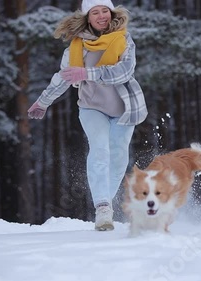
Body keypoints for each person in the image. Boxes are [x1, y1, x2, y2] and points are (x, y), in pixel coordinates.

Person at [27, 0, 147, 231]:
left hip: (125, 108)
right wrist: (43, 102)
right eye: (95, 12)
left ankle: (106, 203)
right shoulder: (76, 47)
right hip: (92, 106)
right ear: (87, 17)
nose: (101, 16)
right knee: (100, 150)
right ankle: (103, 208)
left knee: (119, 157)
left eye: (105, 11)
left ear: (112, 14)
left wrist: (87, 73)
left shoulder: (124, 39)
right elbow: (63, 77)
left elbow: (124, 72)